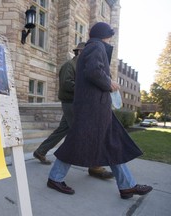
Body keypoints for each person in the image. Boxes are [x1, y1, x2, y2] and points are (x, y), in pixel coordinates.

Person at [47, 22, 153, 199]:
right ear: (104, 34)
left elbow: (93, 71)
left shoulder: (93, 47)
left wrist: (106, 82)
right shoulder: (97, 46)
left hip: (95, 107)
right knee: (78, 142)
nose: (111, 38)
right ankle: (55, 178)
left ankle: (127, 186)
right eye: (110, 34)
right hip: (92, 108)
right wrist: (109, 83)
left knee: (112, 144)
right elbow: (94, 71)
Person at [33, 42, 114, 179]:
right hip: (71, 104)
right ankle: (94, 166)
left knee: (62, 130)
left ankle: (40, 151)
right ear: (80, 52)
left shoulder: (81, 66)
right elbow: (66, 84)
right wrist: (86, 87)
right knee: (82, 133)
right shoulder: (69, 65)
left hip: (77, 103)